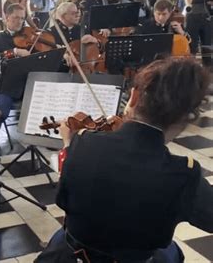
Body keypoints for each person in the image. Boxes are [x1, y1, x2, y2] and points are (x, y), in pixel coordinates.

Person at [36, 57, 213, 263]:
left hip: (75, 255)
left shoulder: (82, 141)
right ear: (187, 118)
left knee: (61, 236)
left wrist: (69, 143)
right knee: (172, 251)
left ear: (134, 96)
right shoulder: (183, 174)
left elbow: (63, 201)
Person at [183, 0, 213, 66]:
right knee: (192, 47)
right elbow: (189, 0)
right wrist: (189, 2)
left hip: (207, 18)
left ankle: (208, 74)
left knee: (207, 48)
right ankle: (191, 71)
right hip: (193, 18)